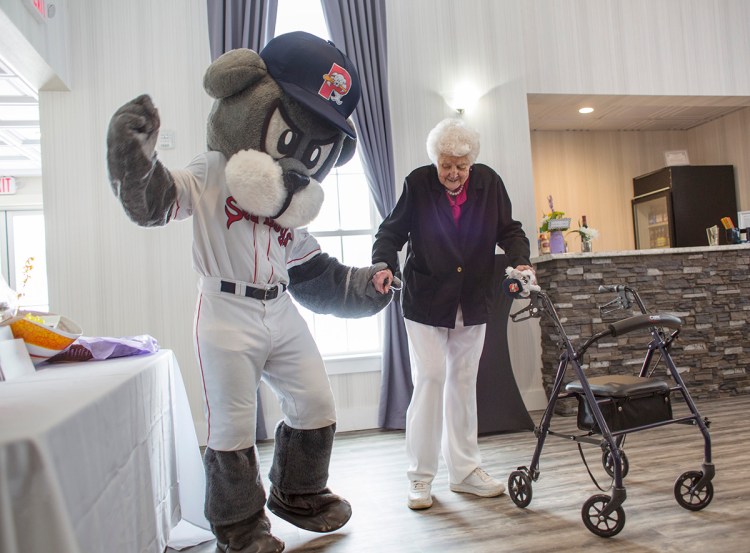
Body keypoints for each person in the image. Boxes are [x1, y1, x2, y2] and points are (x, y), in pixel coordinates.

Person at [371, 118, 533, 510]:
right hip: (426, 300)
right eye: (446, 165)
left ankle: (464, 472)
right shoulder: (418, 183)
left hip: (473, 298)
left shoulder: (489, 184)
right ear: (436, 161)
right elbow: (390, 233)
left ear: (471, 162)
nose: (453, 173)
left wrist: (521, 262)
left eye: (461, 165)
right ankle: (420, 478)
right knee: (430, 377)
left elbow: (509, 231)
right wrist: (382, 264)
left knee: (462, 381)